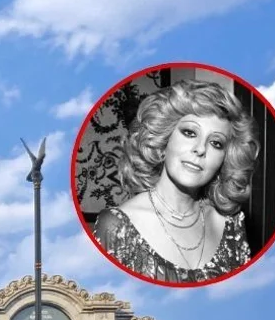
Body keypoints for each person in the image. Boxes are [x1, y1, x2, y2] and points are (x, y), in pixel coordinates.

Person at [92, 80, 258, 284]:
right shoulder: (117, 227)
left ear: (225, 159)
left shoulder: (230, 225)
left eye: (216, 143)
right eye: (189, 133)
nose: (200, 149)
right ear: (163, 141)